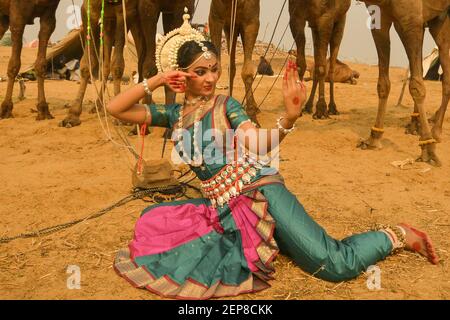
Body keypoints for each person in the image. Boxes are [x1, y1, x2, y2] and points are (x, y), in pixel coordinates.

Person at [106, 18, 438, 300]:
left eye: (214, 69)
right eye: (199, 71)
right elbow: (116, 109)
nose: (209, 78)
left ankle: (396, 235)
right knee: (156, 224)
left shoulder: (226, 105)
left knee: (332, 265)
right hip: (224, 211)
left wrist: (288, 119)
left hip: (262, 194)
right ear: (181, 74)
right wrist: (158, 80)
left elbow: (257, 141)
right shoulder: (173, 114)